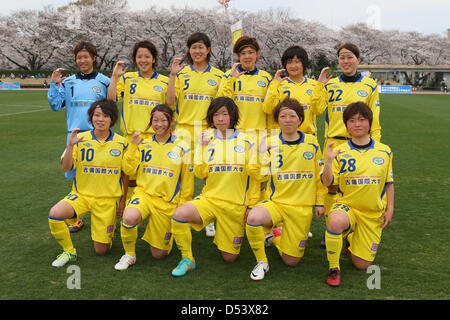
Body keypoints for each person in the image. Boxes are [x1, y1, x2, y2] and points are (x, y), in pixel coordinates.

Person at [169, 96, 263, 277]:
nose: (220, 118)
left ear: (232, 116)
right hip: (210, 200)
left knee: (229, 258)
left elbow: (256, 178)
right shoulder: (207, 138)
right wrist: (202, 148)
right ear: (211, 117)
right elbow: (200, 173)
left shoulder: (248, 139)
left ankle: (230, 232)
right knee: (179, 215)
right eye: (216, 115)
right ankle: (188, 259)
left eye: (225, 114)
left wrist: (251, 205)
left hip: (235, 205)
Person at [245, 98, 326, 281]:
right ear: (277, 119)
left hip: (302, 208)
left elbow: (318, 176)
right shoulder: (271, 142)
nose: (287, 120)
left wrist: (320, 202)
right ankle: (261, 262)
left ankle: (275, 236)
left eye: (292, 116)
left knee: (291, 261)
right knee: (253, 218)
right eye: (283, 116)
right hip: (277, 203)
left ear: (300, 119)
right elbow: (259, 175)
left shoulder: (312, 142)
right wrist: (259, 151)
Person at [311, 43, 382, 247]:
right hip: (334, 145)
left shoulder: (369, 85)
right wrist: (320, 85)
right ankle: (333, 230)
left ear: (358, 60)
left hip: (361, 145)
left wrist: (374, 146)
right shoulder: (330, 85)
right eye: (341, 57)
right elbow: (316, 109)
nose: (345, 61)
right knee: (330, 187)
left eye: (349, 57)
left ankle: (353, 231)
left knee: (354, 187)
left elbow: (375, 120)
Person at [321, 101, 394, 287]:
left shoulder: (384, 151)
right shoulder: (338, 152)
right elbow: (328, 183)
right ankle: (334, 268)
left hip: (372, 212)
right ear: (346, 125)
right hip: (347, 206)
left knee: (362, 265)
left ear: (369, 122)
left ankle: (352, 237)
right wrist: (328, 163)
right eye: (352, 120)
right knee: (335, 221)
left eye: (362, 119)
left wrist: (390, 208)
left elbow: (389, 183)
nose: (357, 124)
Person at [48, 99, 128, 267]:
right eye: (97, 115)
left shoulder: (122, 142)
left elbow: (125, 174)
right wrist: (70, 146)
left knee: (101, 251)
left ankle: (108, 231)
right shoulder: (79, 139)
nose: (100, 119)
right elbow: (66, 167)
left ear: (112, 119)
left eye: (106, 116)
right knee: (55, 213)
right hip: (81, 196)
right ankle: (69, 251)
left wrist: (122, 201)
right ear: (91, 117)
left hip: (107, 200)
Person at [114, 104, 194, 270]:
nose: (159, 124)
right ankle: (129, 254)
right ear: (151, 122)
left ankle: (166, 233)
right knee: (129, 217)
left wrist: (183, 204)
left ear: (171, 122)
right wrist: (133, 146)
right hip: (144, 195)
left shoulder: (183, 146)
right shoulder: (144, 144)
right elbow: (129, 170)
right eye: (155, 120)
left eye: (163, 120)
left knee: (159, 255)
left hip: (167, 202)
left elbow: (187, 179)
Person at [48, 41, 111, 233]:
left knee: (99, 174)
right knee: (77, 177)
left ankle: (104, 212)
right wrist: (54, 83)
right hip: (75, 136)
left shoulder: (105, 82)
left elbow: (112, 107)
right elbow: (56, 105)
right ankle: (77, 216)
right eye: (79, 57)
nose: (82, 60)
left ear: (93, 58)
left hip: (98, 136)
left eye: (86, 57)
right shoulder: (67, 82)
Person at [166, 32, 224, 237]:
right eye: (193, 47)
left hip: (208, 131)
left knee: (211, 175)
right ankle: (181, 217)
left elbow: (221, 106)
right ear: (189, 50)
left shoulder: (219, 75)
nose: (197, 51)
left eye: (201, 47)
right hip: (184, 131)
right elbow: (170, 101)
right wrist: (172, 76)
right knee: (184, 176)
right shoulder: (182, 73)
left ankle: (209, 217)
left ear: (208, 49)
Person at [108, 40, 170, 200]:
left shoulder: (164, 82)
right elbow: (111, 100)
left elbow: (169, 110)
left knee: (153, 179)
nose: (143, 60)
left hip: (154, 138)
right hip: (131, 136)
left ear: (154, 59)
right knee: (129, 177)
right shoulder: (127, 78)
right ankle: (127, 211)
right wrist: (114, 77)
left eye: (147, 56)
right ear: (135, 59)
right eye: (139, 57)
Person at [217, 35, 272, 208]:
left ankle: (257, 220)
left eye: (251, 52)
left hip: (258, 135)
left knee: (259, 179)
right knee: (234, 177)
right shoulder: (228, 76)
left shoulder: (266, 78)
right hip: (235, 135)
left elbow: (270, 109)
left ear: (257, 54)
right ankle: (230, 213)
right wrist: (231, 78)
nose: (247, 56)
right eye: (243, 53)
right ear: (237, 56)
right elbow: (220, 103)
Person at [263, 45, 321, 137]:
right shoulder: (278, 85)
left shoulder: (314, 85)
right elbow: (268, 109)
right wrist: (274, 84)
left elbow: (319, 110)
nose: (293, 66)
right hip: (283, 138)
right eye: (289, 62)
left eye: (297, 62)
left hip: (307, 137)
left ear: (304, 64)